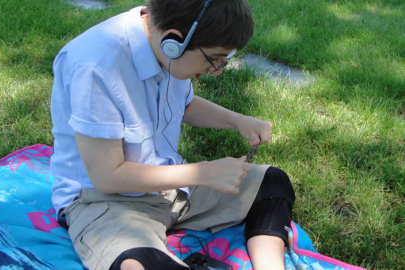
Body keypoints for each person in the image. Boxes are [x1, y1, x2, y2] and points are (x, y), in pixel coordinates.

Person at [49, 0, 296, 269]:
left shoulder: (167, 48)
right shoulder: (96, 66)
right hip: (103, 201)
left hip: (172, 185)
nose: (217, 70)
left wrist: (238, 121)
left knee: (271, 183)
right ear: (174, 40)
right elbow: (107, 177)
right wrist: (203, 173)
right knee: (137, 264)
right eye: (214, 58)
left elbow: (185, 104)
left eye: (225, 59)